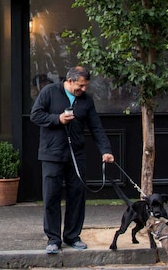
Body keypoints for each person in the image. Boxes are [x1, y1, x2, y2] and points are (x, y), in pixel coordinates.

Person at [30, 65, 115, 254]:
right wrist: (57, 119)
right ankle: (53, 239)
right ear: (70, 81)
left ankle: (72, 236)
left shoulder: (86, 100)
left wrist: (105, 150)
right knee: (51, 196)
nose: (83, 90)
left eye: (86, 86)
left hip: (76, 154)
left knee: (77, 195)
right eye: (81, 86)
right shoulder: (49, 92)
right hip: (52, 153)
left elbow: (96, 127)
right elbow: (35, 115)